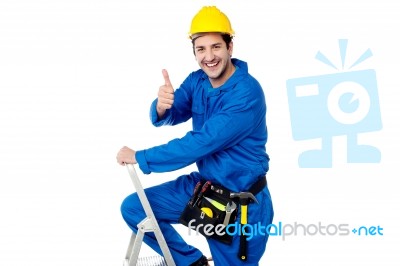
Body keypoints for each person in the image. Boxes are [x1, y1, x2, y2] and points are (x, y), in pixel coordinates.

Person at [116, 6, 273, 266]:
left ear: (230, 47)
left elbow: (199, 143)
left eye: (216, 47)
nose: (209, 57)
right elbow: (175, 111)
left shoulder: (247, 94)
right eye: (201, 49)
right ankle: (192, 263)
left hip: (240, 206)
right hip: (205, 189)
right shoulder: (197, 81)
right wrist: (161, 106)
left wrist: (140, 156)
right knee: (135, 208)